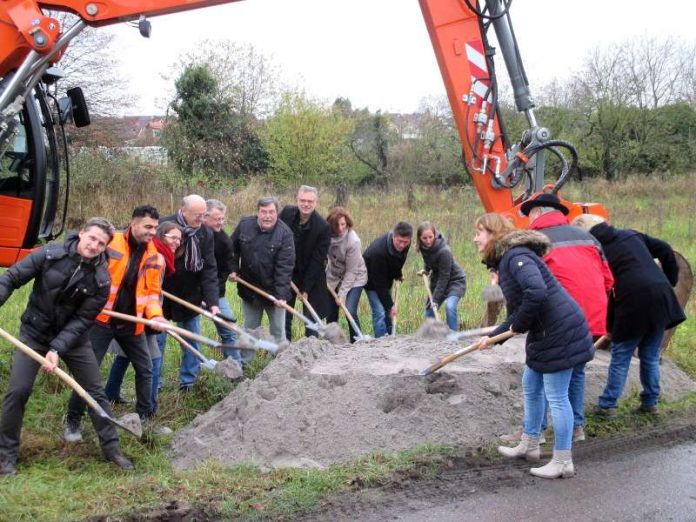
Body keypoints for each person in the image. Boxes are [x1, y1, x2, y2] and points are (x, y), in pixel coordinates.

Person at [0, 218, 134, 475]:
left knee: (95, 391)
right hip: (33, 334)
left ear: (105, 247)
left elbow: (83, 320)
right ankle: (6, 456)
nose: (94, 245)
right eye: (91, 238)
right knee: (17, 391)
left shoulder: (101, 280)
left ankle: (112, 450)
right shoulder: (49, 254)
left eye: (101, 243)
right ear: (81, 233)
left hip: (73, 341)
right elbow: (11, 278)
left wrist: (57, 350)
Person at [473, 213, 594, 479]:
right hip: (546, 331)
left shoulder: (517, 257)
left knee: (557, 396)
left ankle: (563, 460)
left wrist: (518, 325)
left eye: (479, 232)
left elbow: (536, 293)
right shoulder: (508, 260)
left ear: (493, 233)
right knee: (531, 384)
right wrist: (496, 337)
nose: (475, 238)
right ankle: (529, 444)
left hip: (559, 332)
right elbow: (516, 312)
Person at [501, 193, 614, 444]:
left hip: (558, 320)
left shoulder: (537, 243)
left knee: (540, 371)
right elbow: (608, 280)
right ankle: (576, 427)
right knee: (576, 370)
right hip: (593, 317)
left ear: (538, 213)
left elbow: (535, 286)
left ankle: (535, 431)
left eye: (529, 215)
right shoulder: (589, 237)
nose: (527, 221)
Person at [65, 206, 168, 441]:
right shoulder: (111, 244)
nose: (152, 232)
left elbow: (152, 294)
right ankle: (73, 421)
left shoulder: (154, 256)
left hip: (132, 324)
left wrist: (156, 316)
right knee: (88, 371)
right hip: (101, 319)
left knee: (146, 369)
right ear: (133, 224)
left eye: (155, 227)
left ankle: (145, 418)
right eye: (148, 227)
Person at [573, 214, 686, 417]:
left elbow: (607, 292)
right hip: (660, 298)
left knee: (621, 355)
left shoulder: (596, 250)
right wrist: (669, 279)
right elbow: (665, 249)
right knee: (650, 355)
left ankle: (607, 405)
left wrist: (610, 327)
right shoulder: (631, 234)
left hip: (632, 303)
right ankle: (651, 402)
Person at [103, 222, 182, 420]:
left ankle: (111, 393)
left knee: (125, 356)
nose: (177, 242)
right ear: (161, 236)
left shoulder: (161, 256)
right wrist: (153, 318)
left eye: (179, 239)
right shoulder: (157, 256)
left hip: (145, 315)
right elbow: (143, 291)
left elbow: (151, 288)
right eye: (173, 237)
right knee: (152, 362)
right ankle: (149, 411)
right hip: (141, 318)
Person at [161, 195, 220, 391]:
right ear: (184, 211)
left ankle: (188, 381)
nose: (201, 220)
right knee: (157, 340)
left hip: (190, 294)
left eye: (204, 215)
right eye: (197, 215)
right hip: (162, 294)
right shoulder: (164, 226)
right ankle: (155, 382)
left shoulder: (205, 233)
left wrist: (212, 302)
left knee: (192, 339)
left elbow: (210, 268)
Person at [230, 196, 295, 343]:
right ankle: (245, 363)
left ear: (277, 213)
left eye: (271, 212)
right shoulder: (245, 225)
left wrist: (281, 296)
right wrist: (233, 269)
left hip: (274, 292)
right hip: (250, 290)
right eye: (264, 212)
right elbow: (232, 250)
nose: (267, 216)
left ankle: (280, 362)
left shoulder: (285, 234)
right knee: (250, 330)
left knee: (278, 331)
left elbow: (284, 268)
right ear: (258, 212)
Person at [279, 185, 331, 340]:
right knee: (284, 315)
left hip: (311, 276)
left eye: (310, 201)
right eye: (302, 200)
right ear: (297, 200)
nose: (306, 204)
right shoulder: (287, 213)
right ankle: (284, 351)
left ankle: (312, 349)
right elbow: (277, 235)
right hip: (287, 273)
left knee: (311, 318)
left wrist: (306, 288)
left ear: (316, 202)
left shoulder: (322, 227)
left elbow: (317, 260)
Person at [204, 199, 243, 364]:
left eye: (222, 218)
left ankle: (235, 368)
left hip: (215, 292)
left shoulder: (224, 241)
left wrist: (210, 296)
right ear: (205, 217)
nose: (220, 222)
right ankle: (188, 381)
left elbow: (225, 270)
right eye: (216, 219)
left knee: (229, 330)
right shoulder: (192, 235)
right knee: (189, 334)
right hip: (188, 293)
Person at [325, 207, 368, 343]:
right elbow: (323, 256)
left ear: (347, 222)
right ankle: (333, 343)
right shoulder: (326, 235)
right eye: (337, 225)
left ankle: (356, 341)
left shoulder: (353, 241)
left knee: (349, 309)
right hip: (334, 276)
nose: (340, 228)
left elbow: (351, 271)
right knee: (331, 312)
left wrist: (342, 294)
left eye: (343, 224)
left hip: (355, 277)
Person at [363, 221, 412, 338]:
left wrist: (398, 274)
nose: (402, 245)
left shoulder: (405, 244)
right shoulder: (378, 252)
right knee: (380, 311)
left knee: (387, 311)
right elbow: (379, 285)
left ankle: (390, 336)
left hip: (385, 278)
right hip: (371, 281)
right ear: (393, 236)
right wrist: (391, 306)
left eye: (405, 242)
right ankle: (381, 341)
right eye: (399, 241)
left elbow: (399, 260)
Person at [415, 221, 467, 332]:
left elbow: (445, 277)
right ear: (419, 238)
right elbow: (430, 260)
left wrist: (436, 299)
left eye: (430, 237)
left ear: (435, 235)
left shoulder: (444, 251)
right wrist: (426, 269)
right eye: (424, 238)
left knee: (450, 306)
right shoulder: (424, 248)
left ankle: (453, 334)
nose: (428, 241)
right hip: (438, 281)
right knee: (429, 311)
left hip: (454, 281)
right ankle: (433, 335)